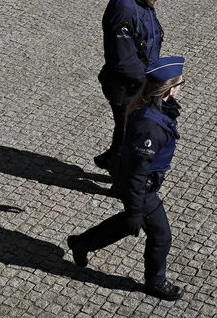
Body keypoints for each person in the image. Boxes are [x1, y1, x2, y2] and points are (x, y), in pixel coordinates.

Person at [68, 56, 186, 301]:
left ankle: (82, 243)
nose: (179, 89)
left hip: (140, 184)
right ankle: (155, 282)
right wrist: (134, 209)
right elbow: (137, 172)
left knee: (128, 224)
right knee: (160, 235)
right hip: (142, 187)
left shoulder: (152, 106)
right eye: (180, 84)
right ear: (169, 87)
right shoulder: (149, 127)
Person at [94, 0, 178, 178]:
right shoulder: (124, 9)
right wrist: (154, 86)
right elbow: (124, 61)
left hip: (140, 83)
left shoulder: (141, 0)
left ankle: (113, 159)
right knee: (131, 136)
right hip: (127, 87)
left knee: (128, 132)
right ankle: (121, 179)